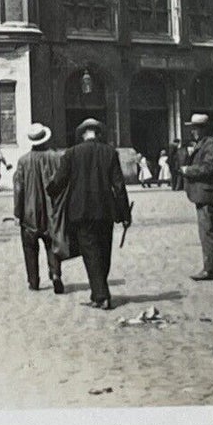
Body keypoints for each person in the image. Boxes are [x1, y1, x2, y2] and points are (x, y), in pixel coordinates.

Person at [46, 117, 131, 310]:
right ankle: (98, 292)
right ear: (97, 133)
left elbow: (58, 181)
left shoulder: (72, 153)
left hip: (80, 211)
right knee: (104, 252)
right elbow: (119, 186)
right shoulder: (110, 152)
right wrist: (125, 214)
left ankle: (101, 295)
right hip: (105, 210)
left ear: (82, 134)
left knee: (90, 253)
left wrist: (50, 190)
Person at [12, 122, 66, 293]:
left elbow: (18, 188)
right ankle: (56, 274)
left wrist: (17, 213)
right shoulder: (56, 158)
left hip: (29, 213)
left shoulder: (23, 161)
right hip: (52, 211)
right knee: (52, 244)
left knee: (30, 247)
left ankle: (33, 281)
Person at [180, 112, 213, 278]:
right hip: (205, 193)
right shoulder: (204, 143)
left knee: (208, 231)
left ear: (203, 129)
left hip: (208, 193)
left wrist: (189, 170)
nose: (192, 132)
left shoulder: (210, 144)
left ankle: (211, 269)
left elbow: (210, 168)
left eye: (195, 128)